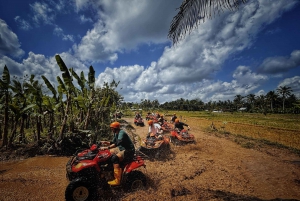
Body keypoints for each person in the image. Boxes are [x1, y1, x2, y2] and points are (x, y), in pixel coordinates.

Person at [100, 122, 135, 186]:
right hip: (121, 149)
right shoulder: (116, 133)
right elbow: (113, 142)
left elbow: (117, 143)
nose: (111, 130)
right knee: (107, 154)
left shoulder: (121, 133)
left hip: (128, 151)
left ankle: (117, 180)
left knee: (114, 158)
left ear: (115, 128)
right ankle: (109, 169)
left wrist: (106, 147)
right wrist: (105, 142)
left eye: (112, 128)